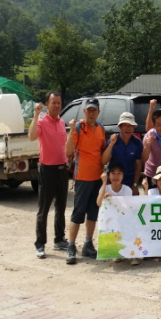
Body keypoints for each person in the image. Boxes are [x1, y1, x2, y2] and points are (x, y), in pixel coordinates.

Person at [64, 98, 106, 265]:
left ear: (98, 112)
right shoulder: (78, 128)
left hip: (97, 177)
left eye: (94, 110)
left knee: (93, 212)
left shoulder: (101, 129)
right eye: (88, 110)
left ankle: (88, 244)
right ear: (84, 112)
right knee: (78, 213)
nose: (91, 113)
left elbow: (101, 151)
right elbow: (68, 151)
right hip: (82, 177)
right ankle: (71, 246)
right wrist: (71, 131)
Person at [28, 91, 69, 259]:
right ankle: (40, 244)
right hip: (47, 170)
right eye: (54, 102)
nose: (57, 105)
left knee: (61, 207)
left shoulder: (62, 122)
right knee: (43, 209)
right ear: (47, 104)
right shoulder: (41, 122)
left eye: (59, 102)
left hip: (62, 170)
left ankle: (59, 239)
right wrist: (36, 115)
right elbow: (31, 136)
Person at [96, 162, 137, 265]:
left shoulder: (127, 190)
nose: (116, 176)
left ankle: (133, 254)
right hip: (111, 220)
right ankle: (117, 253)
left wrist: (113, 200)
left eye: (119, 173)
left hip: (124, 219)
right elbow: (99, 203)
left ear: (123, 176)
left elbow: (127, 209)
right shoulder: (106, 188)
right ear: (109, 175)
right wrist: (104, 183)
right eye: (113, 173)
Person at [101, 112, 143, 195]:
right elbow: (104, 161)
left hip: (130, 182)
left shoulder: (137, 142)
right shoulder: (113, 141)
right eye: (125, 125)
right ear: (120, 126)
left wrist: (135, 184)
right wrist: (111, 144)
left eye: (131, 125)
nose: (128, 128)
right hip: (113, 181)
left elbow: (138, 165)